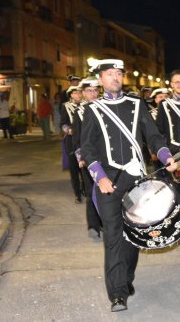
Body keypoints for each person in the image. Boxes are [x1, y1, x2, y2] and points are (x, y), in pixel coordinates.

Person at [81, 58, 177, 312]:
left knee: (133, 234)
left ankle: (127, 278)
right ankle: (118, 293)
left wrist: (166, 155)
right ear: (100, 80)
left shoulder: (136, 105)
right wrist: (99, 176)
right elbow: (88, 148)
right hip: (108, 182)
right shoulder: (93, 109)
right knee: (113, 235)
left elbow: (153, 136)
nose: (114, 77)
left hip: (135, 180)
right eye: (109, 74)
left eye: (118, 73)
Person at [156, 69, 180, 210]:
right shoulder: (164, 105)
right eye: (177, 82)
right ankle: (178, 215)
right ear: (172, 84)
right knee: (175, 187)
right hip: (174, 152)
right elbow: (160, 129)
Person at [73, 77, 102, 239]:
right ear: (83, 93)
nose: (92, 94)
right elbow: (76, 138)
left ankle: (105, 222)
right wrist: (81, 157)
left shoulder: (105, 108)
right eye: (89, 91)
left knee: (107, 191)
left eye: (95, 91)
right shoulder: (79, 112)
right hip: (88, 158)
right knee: (91, 192)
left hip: (105, 157)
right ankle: (93, 226)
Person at [61, 85, 84, 204]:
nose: (78, 95)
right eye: (75, 93)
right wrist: (69, 130)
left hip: (85, 140)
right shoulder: (66, 106)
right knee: (74, 169)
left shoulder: (87, 105)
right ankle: (77, 194)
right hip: (72, 141)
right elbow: (63, 123)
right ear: (71, 95)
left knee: (85, 168)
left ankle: (86, 189)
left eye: (80, 92)